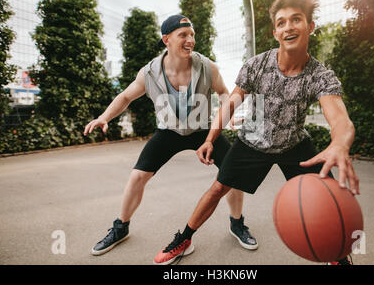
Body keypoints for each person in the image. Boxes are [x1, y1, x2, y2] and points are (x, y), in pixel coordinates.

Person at [154, 0, 360, 266]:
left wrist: (339, 144)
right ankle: (184, 238)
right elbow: (230, 103)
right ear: (276, 32)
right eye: (281, 22)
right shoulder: (257, 65)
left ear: (310, 26)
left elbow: (339, 117)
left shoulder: (321, 76)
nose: (288, 27)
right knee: (217, 189)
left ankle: (338, 256)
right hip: (252, 142)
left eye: (296, 19)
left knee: (327, 201)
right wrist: (210, 139)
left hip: (294, 144)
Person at [84, 15, 258, 263]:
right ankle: (120, 227)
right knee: (138, 176)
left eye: (192, 35)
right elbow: (125, 97)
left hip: (203, 131)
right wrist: (104, 117)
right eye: (183, 35)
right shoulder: (150, 73)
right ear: (166, 40)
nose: (190, 40)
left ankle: (237, 223)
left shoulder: (208, 67)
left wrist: (228, 118)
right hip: (168, 132)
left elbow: (223, 93)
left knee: (232, 173)